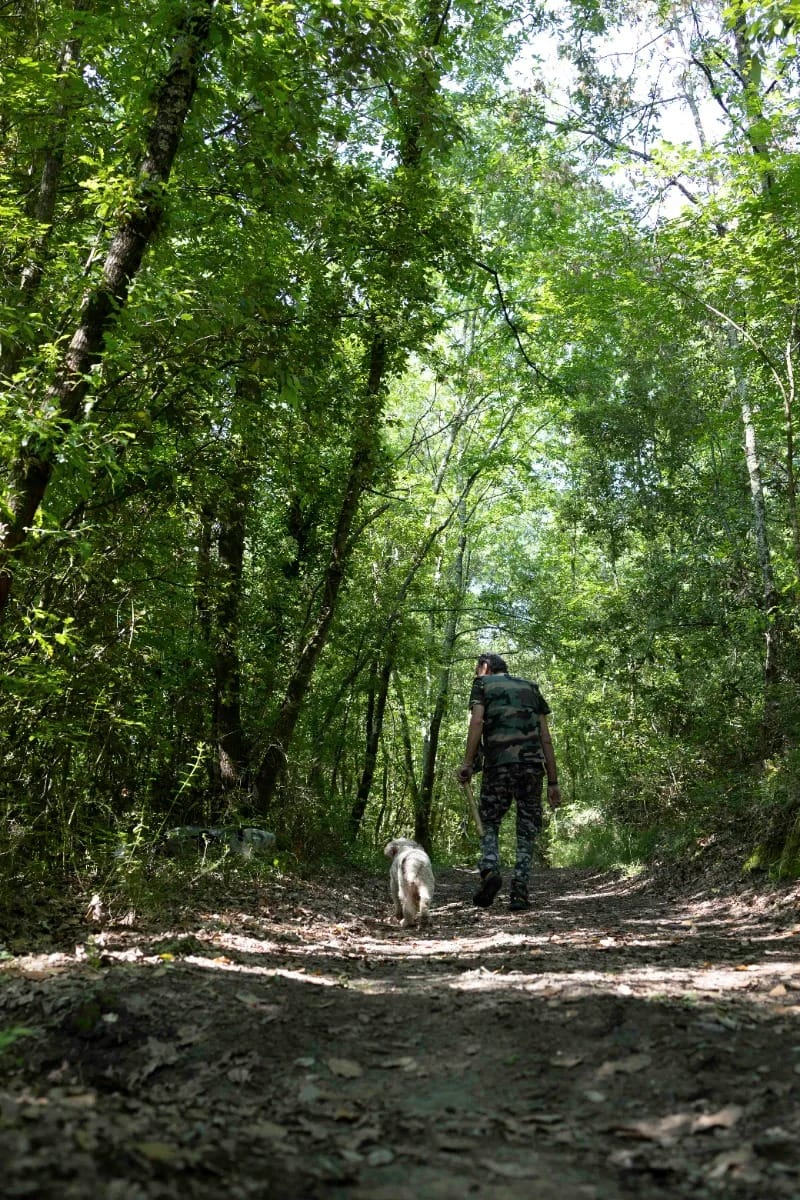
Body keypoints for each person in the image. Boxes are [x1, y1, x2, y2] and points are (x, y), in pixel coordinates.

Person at [457, 652, 561, 911]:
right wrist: (553, 782)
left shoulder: (482, 684)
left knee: (489, 821)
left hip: (499, 766)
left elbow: (477, 721)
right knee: (526, 830)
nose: (475, 674)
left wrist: (468, 763)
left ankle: (490, 870)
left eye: (476, 669)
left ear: (485, 667)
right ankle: (520, 893)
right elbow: (545, 738)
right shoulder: (531, 688)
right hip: (532, 769)